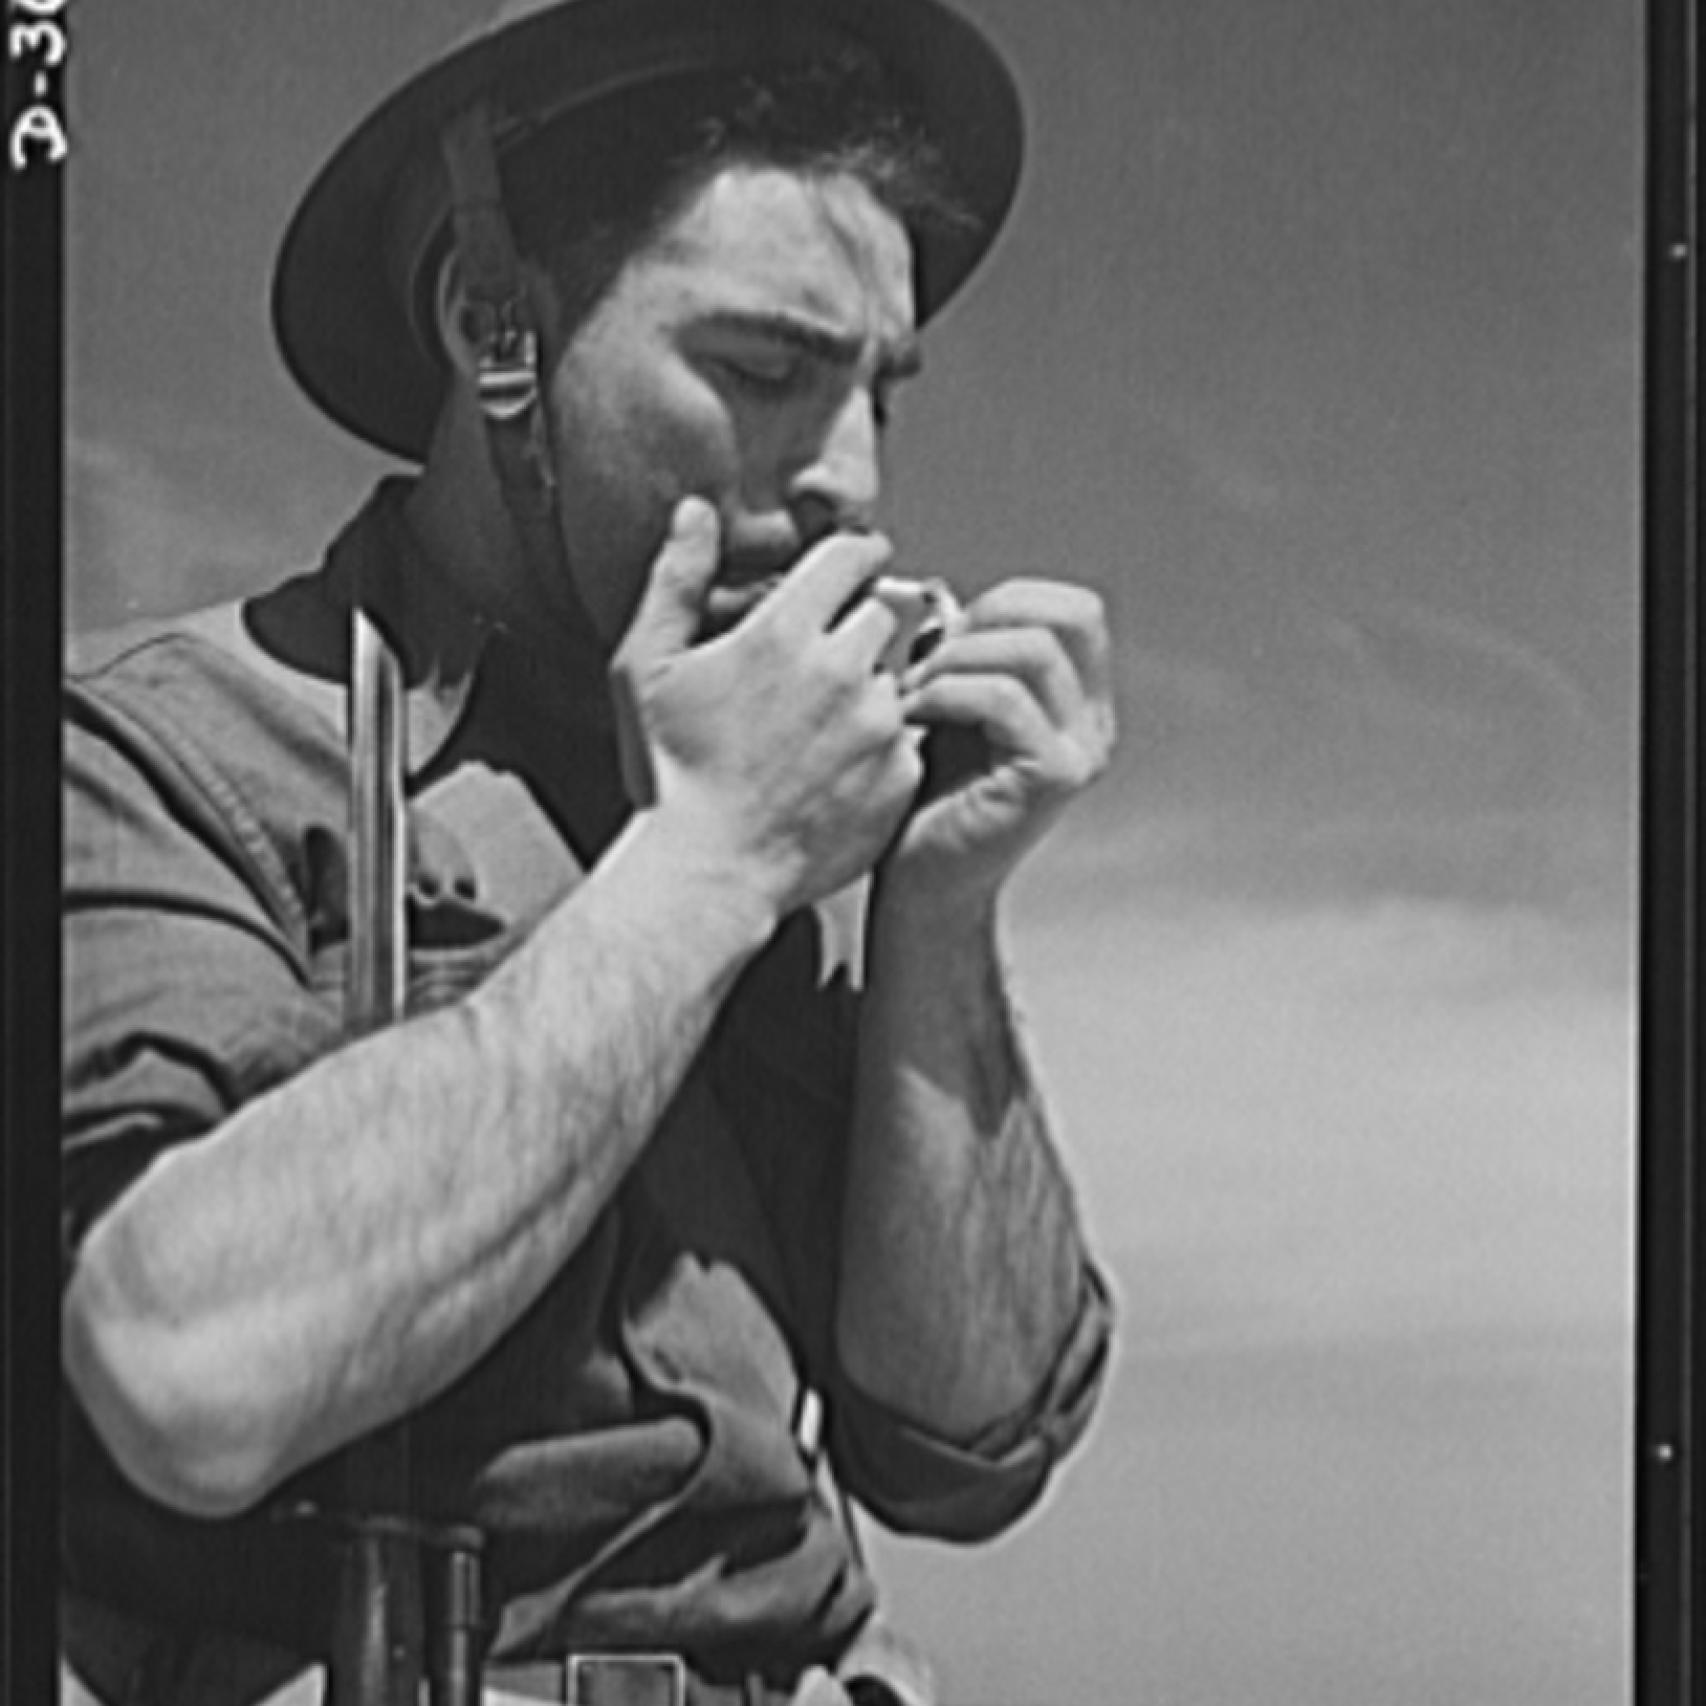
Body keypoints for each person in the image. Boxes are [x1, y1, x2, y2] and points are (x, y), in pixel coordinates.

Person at [60, 2, 1117, 1702]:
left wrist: (938, 907)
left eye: (879, 396)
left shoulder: (745, 797)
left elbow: (968, 1445)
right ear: (497, 331)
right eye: (765, 373)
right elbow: (180, 1371)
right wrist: (702, 870)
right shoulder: (149, 745)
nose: (851, 480)